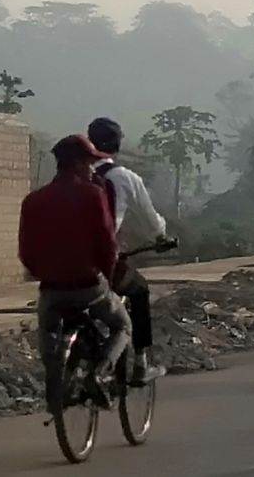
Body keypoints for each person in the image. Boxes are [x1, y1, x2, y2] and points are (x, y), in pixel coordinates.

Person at [18, 134, 131, 407]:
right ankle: (100, 370)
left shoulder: (33, 200)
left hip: (52, 290)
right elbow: (106, 242)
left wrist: (45, 273)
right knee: (122, 325)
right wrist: (108, 276)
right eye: (91, 162)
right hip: (89, 285)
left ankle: (54, 381)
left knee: (47, 331)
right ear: (80, 164)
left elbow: (26, 252)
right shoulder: (93, 195)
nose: (93, 168)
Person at [87, 117, 168, 385]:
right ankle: (141, 363)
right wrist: (161, 237)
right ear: (118, 145)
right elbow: (151, 220)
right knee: (140, 290)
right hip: (103, 264)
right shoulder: (123, 177)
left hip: (61, 263)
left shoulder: (74, 175)